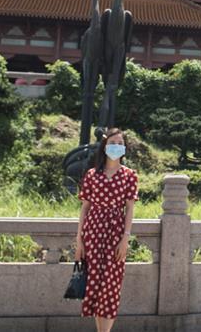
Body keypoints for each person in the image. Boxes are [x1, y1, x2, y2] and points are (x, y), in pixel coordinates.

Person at [74, 128, 139, 331]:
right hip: (93, 231)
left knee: (111, 286)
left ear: (124, 148)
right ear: (105, 147)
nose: (116, 146)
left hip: (116, 232)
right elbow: (85, 207)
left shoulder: (130, 175)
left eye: (120, 143)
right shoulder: (92, 175)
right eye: (113, 143)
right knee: (94, 283)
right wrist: (79, 240)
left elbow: (129, 209)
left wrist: (125, 238)